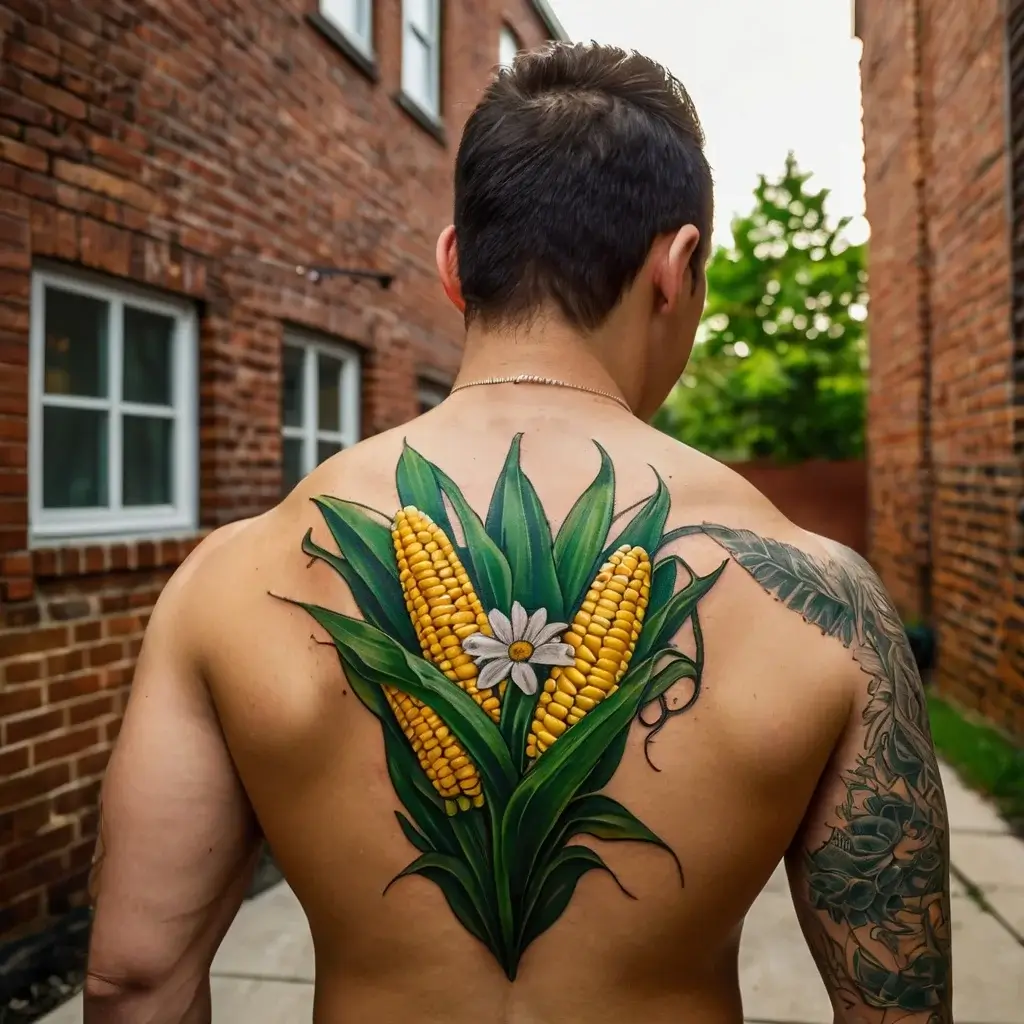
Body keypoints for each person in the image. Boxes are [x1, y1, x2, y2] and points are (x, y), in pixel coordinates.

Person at [84, 41, 951, 1024]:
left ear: (454, 265)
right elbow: (899, 1003)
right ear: (678, 267)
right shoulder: (826, 602)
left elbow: (134, 978)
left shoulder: (229, 579)